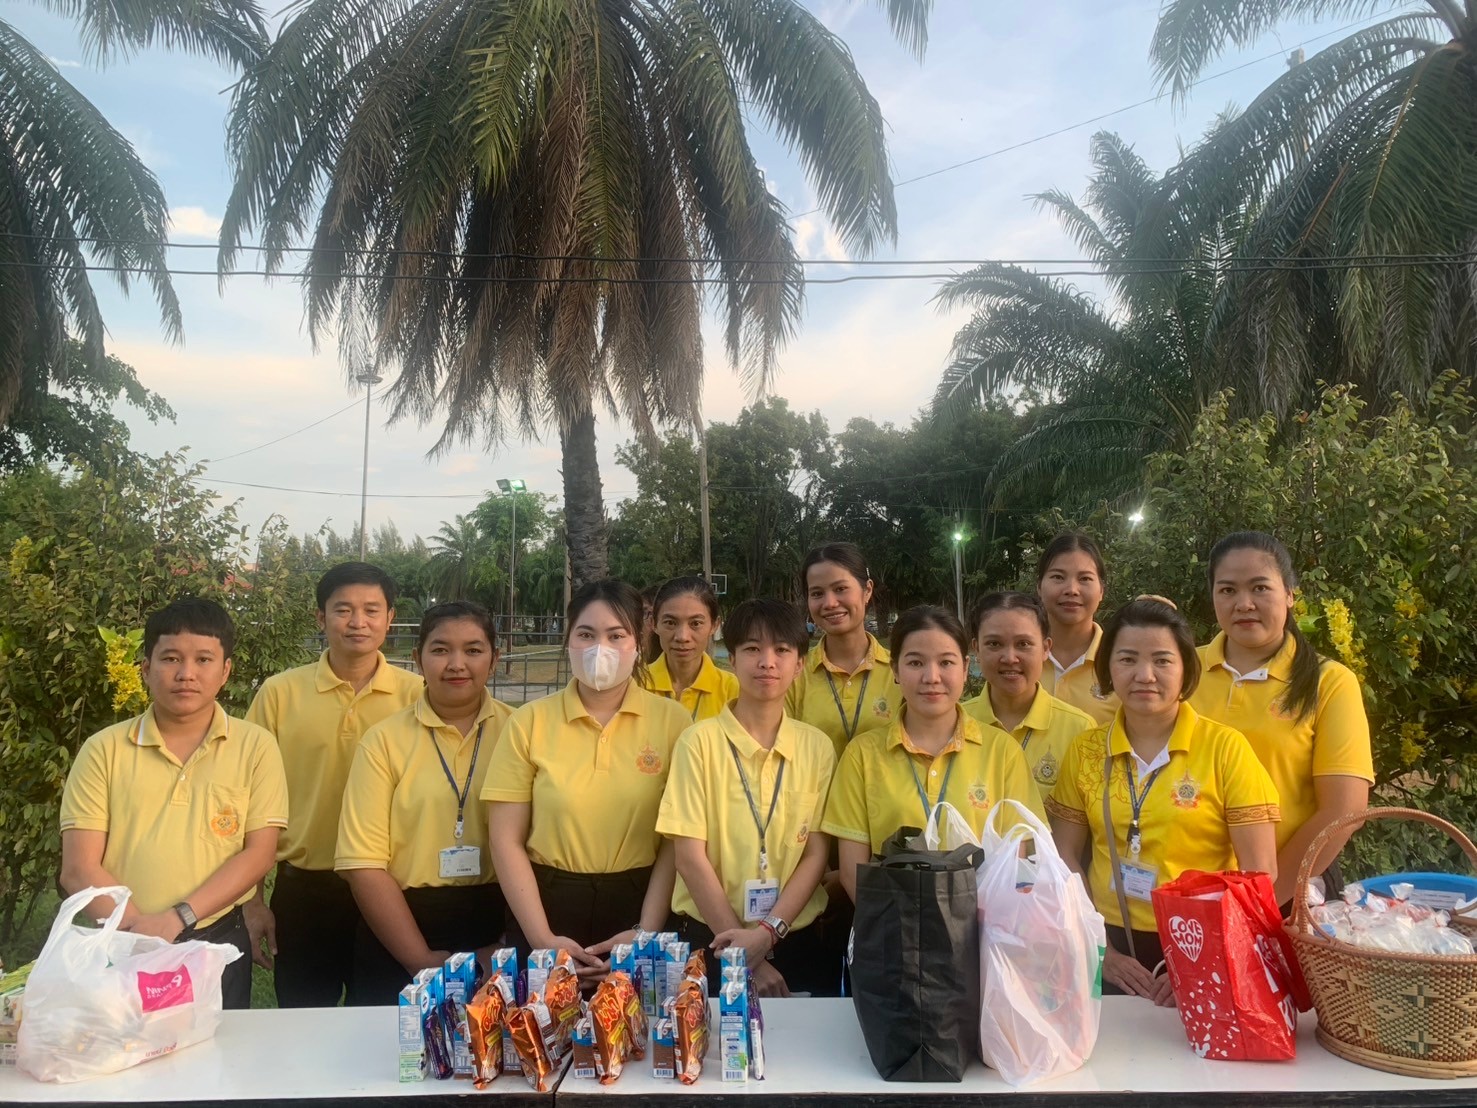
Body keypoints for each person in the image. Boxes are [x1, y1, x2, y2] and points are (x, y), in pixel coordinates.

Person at [1046, 597, 1280, 1005]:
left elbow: (1259, 873)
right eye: (1127, 659)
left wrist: (1205, 957)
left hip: (1204, 941)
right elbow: (1064, 856)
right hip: (1106, 941)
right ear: (1108, 668)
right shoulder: (1086, 751)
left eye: (1162, 660)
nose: (1145, 675)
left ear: (1186, 667)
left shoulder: (1225, 749)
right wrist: (1098, 948)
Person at [59, 597, 288, 1010]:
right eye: (170, 659)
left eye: (203, 659)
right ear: (146, 668)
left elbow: (259, 853)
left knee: (217, 1047)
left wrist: (176, 918)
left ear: (226, 671)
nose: (186, 674)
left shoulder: (255, 747)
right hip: (122, 940)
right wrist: (140, 933)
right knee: (127, 1047)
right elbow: (78, 868)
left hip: (217, 941)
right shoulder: (104, 750)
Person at [484, 580, 691, 980]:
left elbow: (675, 840)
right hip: (544, 906)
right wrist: (542, 937)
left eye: (616, 635)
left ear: (639, 642)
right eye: (586, 634)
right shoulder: (528, 722)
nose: (600, 649)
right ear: (568, 640)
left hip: (640, 905)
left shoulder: (674, 722)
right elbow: (505, 839)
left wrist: (644, 931)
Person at [243, 562, 422, 1007]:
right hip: (305, 891)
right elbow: (248, 799)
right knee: (304, 1024)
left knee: (383, 1026)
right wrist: (252, 900)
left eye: (371, 610)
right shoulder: (279, 694)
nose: (358, 622)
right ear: (320, 618)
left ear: (390, 618)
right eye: (343, 610)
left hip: (392, 892)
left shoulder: (419, 695)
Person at [657, 599, 836, 997]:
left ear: (799, 664)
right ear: (732, 659)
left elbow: (815, 853)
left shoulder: (817, 748)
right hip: (712, 939)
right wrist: (745, 956)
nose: (767, 662)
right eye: (753, 648)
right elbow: (689, 856)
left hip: (796, 938)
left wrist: (768, 934)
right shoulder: (698, 743)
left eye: (782, 650)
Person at [336, 601, 512, 1004]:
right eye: (440, 650)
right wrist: (421, 960)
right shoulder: (384, 742)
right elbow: (362, 863)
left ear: (495, 659)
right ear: (418, 659)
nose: (456, 664)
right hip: (399, 928)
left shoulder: (520, 732)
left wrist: (505, 945)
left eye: (473, 650)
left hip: (499, 925)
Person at [1191, 532, 1373, 906]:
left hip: (1288, 894)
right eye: (1227, 590)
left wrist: (1264, 900)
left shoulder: (1329, 682)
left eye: (1260, 587)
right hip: (1188, 889)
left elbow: (1344, 810)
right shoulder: (1182, 670)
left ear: (1290, 594)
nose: (1244, 603)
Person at [823, 605, 1044, 905]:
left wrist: (990, 925)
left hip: (987, 925)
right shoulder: (862, 755)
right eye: (915, 662)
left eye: (946, 662)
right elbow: (853, 873)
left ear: (965, 668)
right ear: (895, 671)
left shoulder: (1002, 751)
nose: (932, 677)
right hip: (891, 925)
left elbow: (1023, 855)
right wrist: (904, 926)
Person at [963, 591, 1095, 803]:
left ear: (1046, 649)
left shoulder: (1079, 730)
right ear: (976, 649)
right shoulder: (955, 723)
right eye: (994, 644)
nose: (1010, 658)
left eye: (1023, 644)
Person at [786, 543, 902, 760]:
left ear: (867, 590)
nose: (830, 603)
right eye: (817, 593)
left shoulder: (899, 672)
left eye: (840, 589)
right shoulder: (793, 675)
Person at [1036, 532, 1118, 723]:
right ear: (1039, 587)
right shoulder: (1020, 658)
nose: (1072, 590)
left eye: (1085, 579)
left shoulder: (1120, 660)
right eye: (1058, 577)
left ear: (1101, 590)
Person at [644, 576, 740, 722]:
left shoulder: (733, 690)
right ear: (654, 624)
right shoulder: (635, 685)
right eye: (670, 623)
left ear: (714, 625)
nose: (682, 636)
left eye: (695, 623)